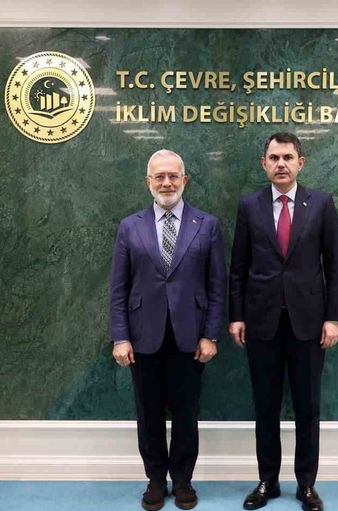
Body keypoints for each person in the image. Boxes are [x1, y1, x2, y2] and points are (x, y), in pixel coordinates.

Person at [229, 132, 338, 511]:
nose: (281, 164)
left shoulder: (321, 204)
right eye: (274, 157)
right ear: (264, 163)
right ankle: (268, 481)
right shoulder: (249, 206)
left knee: (307, 407)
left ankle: (306, 484)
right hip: (261, 323)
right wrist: (236, 316)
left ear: (300, 162)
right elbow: (238, 267)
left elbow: (335, 266)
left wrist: (333, 318)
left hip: (309, 324)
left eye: (288, 157)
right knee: (266, 407)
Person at [109, 149, 226, 511]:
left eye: (173, 176)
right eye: (159, 176)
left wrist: (210, 335)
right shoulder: (130, 226)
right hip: (143, 337)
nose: (166, 183)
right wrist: (120, 336)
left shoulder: (207, 225)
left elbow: (217, 286)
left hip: (190, 337)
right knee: (149, 414)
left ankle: (184, 481)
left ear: (184, 180)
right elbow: (119, 287)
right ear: (148, 181)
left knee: (187, 414)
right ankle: (156, 480)